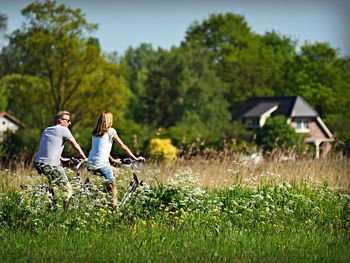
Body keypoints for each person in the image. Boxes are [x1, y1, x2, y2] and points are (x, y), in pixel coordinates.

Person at [87, 111, 145, 209]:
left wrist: (113, 160)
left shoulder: (95, 132)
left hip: (91, 163)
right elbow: (122, 146)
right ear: (109, 121)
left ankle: (103, 194)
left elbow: (101, 149)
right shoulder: (111, 131)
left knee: (116, 172)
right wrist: (135, 158)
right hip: (101, 164)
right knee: (114, 190)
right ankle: (115, 210)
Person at [34, 111, 87, 211]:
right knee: (68, 190)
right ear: (60, 121)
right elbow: (75, 146)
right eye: (68, 120)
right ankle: (64, 215)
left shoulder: (47, 129)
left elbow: (49, 147)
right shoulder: (63, 130)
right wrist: (84, 158)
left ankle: (51, 209)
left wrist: (61, 158)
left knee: (51, 187)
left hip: (38, 163)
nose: (69, 123)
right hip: (51, 165)